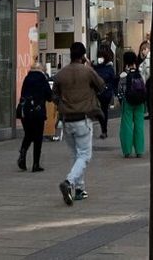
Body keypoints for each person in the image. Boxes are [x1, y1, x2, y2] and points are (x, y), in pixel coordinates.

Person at [52, 41, 105, 205]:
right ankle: (69, 182)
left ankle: (80, 189)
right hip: (83, 118)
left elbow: (54, 95)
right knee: (85, 155)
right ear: (83, 56)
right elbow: (102, 86)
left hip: (67, 119)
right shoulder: (87, 71)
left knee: (76, 155)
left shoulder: (61, 74)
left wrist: (62, 104)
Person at [16, 60, 53, 172]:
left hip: (25, 112)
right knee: (37, 138)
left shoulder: (27, 78)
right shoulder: (42, 79)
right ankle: (35, 164)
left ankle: (23, 152)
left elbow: (23, 94)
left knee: (28, 134)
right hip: (37, 112)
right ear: (42, 70)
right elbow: (49, 96)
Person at [117, 50, 147, 158]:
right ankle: (139, 150)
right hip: (140, 102)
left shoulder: (123, 75)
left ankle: (127, 151)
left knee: (127, 126)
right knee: (139, 126)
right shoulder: (140, 72)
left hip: (128, 102)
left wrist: (122, 101)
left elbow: (120, 91)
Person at [94, 48, 117, 139]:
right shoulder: (96, 67)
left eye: (101, 57)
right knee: (100, 112)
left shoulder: (109, 68)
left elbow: (113, 81)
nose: (100, 59)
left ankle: (104, 130)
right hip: (97, 93)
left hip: (106, 93)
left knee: (103, 111)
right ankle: (103, 129)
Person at [137, 39, 153, 119]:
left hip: (148, 81)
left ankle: (151, 113)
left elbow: (146, 71)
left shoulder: (147, 59)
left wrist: (144, 80)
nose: (143, 51)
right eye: (142, 50)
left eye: (144, 49)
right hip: (149, 81)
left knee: (149, 98)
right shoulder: (148, 58)